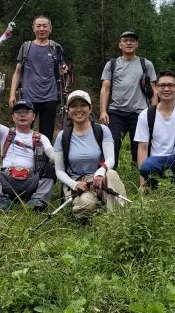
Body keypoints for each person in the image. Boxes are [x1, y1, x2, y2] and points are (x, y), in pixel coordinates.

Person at [0, 77, 55, 210]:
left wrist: (56, 158)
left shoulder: (40, 137)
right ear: (13, 117)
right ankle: (0, 199)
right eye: (18, 112)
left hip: (30, 180)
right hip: (6, 179)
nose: (22, 115)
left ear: (33, 116)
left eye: (26, 112)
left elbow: (51, 153)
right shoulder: (5, 132)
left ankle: (37, 200)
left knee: (51, 168)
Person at [53, 90, 127, 220]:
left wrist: (101, 172)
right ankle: (102, 205)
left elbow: (111, 159)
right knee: (85, 206)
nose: (78, 109)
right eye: (74, 106)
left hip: (100, 178)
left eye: (83, 105)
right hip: (78, 183)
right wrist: (73, 184)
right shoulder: (62, 136)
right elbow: (59, 170)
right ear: (68, 111)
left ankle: (118, 218)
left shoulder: (102, 130)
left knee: (111, 174)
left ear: (90, 109)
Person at [99, 30, 157, 167]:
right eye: (125, 41)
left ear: (137, 44)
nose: (129, 43)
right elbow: (105, 89)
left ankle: (141, 175)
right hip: (116, 112)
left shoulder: (145, 64)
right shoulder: (112, 64)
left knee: (139, 147)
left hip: (140, 112)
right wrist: (103, 111)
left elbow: (154, 91)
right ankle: (110, 174)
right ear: (120, 45)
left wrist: (154, 113)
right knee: (112, 144)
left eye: (132, 40)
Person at [9, 15, 68, 136]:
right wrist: (12, 94)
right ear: (33, 28)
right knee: (22, 132)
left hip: (50, 97)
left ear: (50, 28)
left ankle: (44, 149)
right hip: (28, 97)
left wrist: (64, 70)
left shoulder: (56, 47)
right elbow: (18, 72)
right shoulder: (26, 47)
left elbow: (61, 70)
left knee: (46, 135)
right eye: (39, 26)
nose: (42, 29)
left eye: (45, 26)